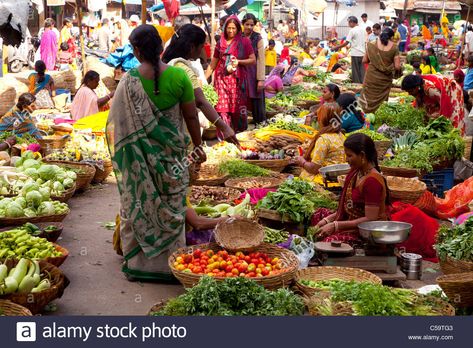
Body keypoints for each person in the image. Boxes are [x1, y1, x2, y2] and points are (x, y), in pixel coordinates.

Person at [107, 24, 205, 281]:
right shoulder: (180, 77)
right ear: (162, 48)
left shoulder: (128, 82)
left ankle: (140, 267)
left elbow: (118, 128)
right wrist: (198, 145)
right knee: (173, 204)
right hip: (173, 160)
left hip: (138, 164)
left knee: (138, 202)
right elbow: (191, 116)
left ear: (137, 51)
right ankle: (170, 267)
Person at [162, 24, 238, 145]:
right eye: (202, 46)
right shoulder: (184, 70)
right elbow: (200, 103)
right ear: (192, 47)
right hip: (179, 132)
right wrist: (224, 127)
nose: (203, 51)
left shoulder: (167, 63)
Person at [315, 133, 389, 245]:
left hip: (367, 232)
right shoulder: (356, 173)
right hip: (352, 221)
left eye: (350, 156)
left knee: (328, 242)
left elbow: (370, 219)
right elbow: (345, 209)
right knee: (318, 214)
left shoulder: (372, 181)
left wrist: (336, 225)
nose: (346, 159)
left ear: (362, 156)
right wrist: (326, 221)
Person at [205, 16, 256, 134]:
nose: (231, 31)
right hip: (221, 81)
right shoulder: (220, 43)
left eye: (234, 28)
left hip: (238, 83)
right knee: (222, 111)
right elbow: (213, 64)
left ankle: (239, 136)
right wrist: (203, 79)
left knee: (238, 111)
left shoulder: (245, 42)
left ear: (238, 29)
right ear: (224, 28)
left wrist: (239, 62)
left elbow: (253, 60)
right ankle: (225, 138)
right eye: (228, 28)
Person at [294, 104, 346, 185]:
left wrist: (302, 161)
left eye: (319, 116)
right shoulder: (341, 136)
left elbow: (314, 169)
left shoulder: (324, 139)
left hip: (324, 180)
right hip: (338, 178)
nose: (318, 119)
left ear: (324, 119)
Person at [360, 28, 401, 113]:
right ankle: (379, 115)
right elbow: (397, 67)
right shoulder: (394, 47)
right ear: (391, 37)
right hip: (385, 79)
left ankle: (364, 114)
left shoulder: (371, 44)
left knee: (367, 96)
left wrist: (374, 60)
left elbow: (364, 60)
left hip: (371, 76)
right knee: (382, 99)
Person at [242, 13, 266, 124]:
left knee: (257, 99)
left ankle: (259, 123)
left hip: (254, 72)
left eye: (252, 25)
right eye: (247, 24)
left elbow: (261, 59)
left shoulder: (258, 38)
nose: (249, 27)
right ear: (243, 24)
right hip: (242, 72)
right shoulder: (239, 37)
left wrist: (261, 79)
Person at [333, 16, 366, 84]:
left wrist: (336, 47)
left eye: (349, 22)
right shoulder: (363, 30)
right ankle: (363, 85)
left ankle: (357, 85)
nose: (348, 24)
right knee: (362, 70)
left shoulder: (352, 30)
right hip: (363, 53)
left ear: (352, 22)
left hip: (355, 53)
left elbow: (346, 42)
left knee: (355, 71)